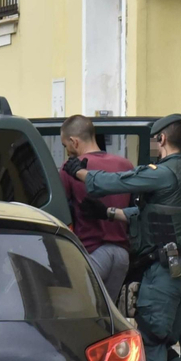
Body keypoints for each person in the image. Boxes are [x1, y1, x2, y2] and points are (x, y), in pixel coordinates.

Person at [67, 114, 181, 361]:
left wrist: (83, 173)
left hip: (167, 271)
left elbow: (118, 183)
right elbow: (158, 213)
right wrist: (111, 214)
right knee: (159, 341)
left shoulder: (163, 173)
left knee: (149, 342)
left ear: (161, 140)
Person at [58, 114, 134, 300]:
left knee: (83, 315)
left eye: (65, 145)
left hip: (92, 253)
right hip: (122, 256)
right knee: (108, 319)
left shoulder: (70, 169)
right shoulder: (126, 165)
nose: (66, 151)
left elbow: (60, 212)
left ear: (74, 142)